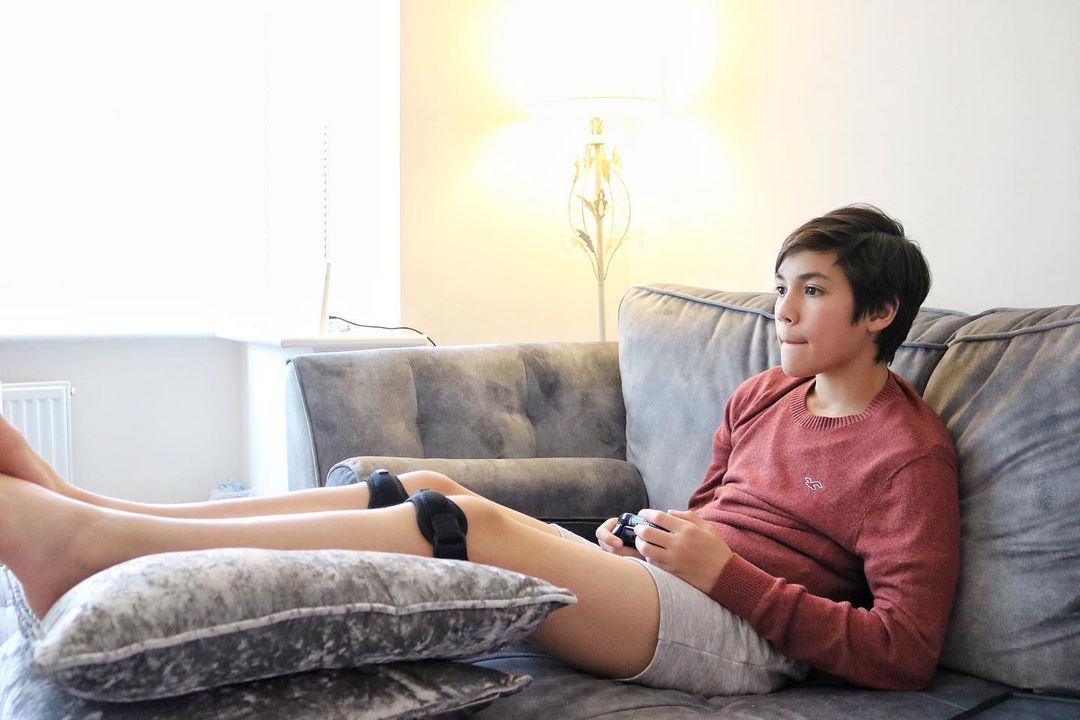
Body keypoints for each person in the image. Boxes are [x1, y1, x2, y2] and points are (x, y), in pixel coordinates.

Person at [0, 204, 958, 696]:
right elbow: (710, 516)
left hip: (747, 641)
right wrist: (647, 535)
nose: (782, 310)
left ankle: (96, 548)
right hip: (674, 587)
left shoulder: (907, 454)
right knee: (417, 482)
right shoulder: (762, 394)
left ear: (879, 312)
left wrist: (725, 575)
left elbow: (906, 654)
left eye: (813, 291)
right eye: (781, 287)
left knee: (463, 523)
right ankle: (112, 513)